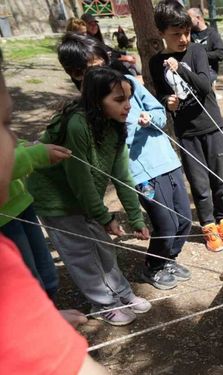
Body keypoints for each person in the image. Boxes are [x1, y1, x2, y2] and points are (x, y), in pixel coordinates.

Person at [0, 48, 108, 374]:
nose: (15, 136)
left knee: (43, 274)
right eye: (5, 124)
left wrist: (37, 322)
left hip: (22, 205)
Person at [57, 32, 193, 291]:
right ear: (77, 75)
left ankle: (168, 259)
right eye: (94, 69)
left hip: (167, 161)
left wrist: (150, 119)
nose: (104, 73)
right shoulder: (87, 112)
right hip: (140, 173)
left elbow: (159, 112)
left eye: (104, 64)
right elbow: (104, 154)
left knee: (184, 219)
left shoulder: (128, 83)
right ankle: (153, 266)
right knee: (166, 223)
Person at [28, 67, 152, 326]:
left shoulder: (115, 124)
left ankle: (121, 294)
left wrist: (135, 218)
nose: (127, 105)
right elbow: (80, 180)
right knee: (81, 253)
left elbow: (122, 175)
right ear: (97, 101)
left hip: (83, 197)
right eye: (119, 100)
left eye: (128, 97)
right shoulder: (77, 125)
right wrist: (104, 217)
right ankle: (103, 303)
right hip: (56, 200)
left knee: (103, 247)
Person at [150, 0, 223, 252]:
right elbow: (161, 94)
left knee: (219, 181)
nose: (184, 38)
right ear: (161, 33)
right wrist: (169, 102)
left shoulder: (197, 52)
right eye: (176, 34)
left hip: (211, 125)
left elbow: (204, 85)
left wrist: (181, 69)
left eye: (186, 32)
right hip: (186, 132)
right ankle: (208, 225)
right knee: (199, 185)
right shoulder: (157, 63)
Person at [0, 139, 70, 300]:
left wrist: (24, 145)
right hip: (4, 219)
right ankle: (40, 315)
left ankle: (49, 307)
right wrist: (34, 155)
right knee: (27, 278)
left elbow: (8, 141)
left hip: (22, 203)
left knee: (47, 273)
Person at [187, 7, 223, 98]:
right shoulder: (188, 34)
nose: (187, 21)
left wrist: (202, 55)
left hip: (209, 69)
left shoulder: (212, 34)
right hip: (192, 68)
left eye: (189, 18)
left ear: (198, 18)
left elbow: (221, 54)